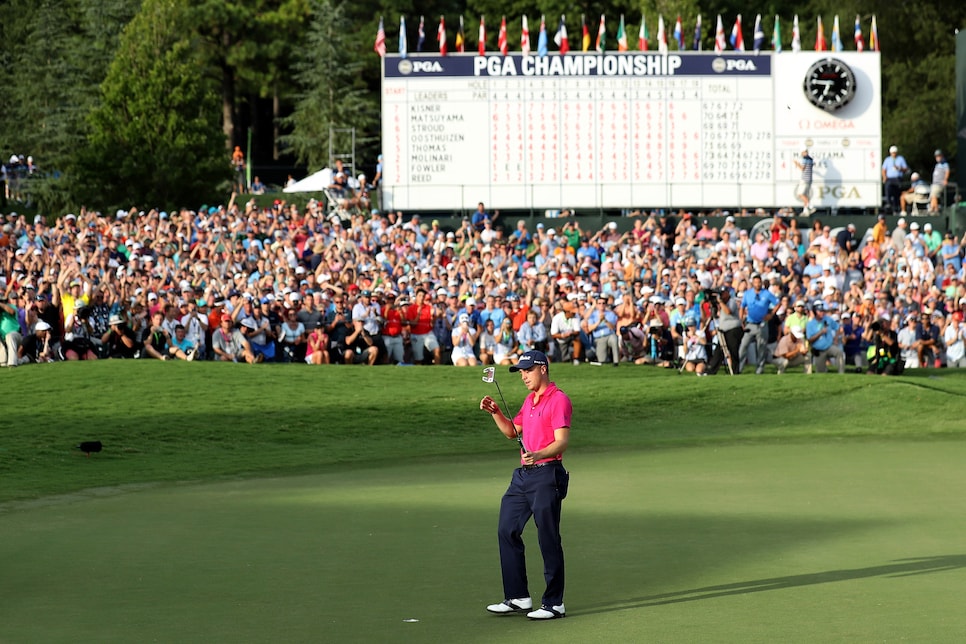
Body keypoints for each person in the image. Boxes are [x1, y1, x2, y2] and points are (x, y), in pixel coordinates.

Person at [480, 350, 571, 621]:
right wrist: (495, 411)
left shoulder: (559, 400)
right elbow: (512, 431)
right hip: (523, 476)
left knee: (548, 538)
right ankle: (518, 597)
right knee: (506, 529)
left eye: (527, 370)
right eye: (520, 371)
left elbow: (562, 440)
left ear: (543, 368)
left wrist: (540, 454)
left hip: (547, 474)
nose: (523, 376)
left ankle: (554, 603)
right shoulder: (529, 400)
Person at [739, 273, 779, 374]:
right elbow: (742, 306)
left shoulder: (766, 293)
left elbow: (777, 303)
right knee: (743, 345)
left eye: (759, 282)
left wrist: (771, 314)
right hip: (750, 323)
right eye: (755, 282)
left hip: (762, 323)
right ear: (752, 283)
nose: (757, 284)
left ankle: (760, 368)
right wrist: (741, 320)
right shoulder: (747, 294)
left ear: (761, 283)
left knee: (761, 347)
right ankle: (738, 367)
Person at [805, 301, 845, 373]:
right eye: (820, 311)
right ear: (815, 312)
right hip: (819, 350)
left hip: (829, 346)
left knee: (839, 352)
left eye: (823, 311)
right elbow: (810, 339)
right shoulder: (810, 324)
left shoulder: (828, 319)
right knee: (820, 371)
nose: (822, 313)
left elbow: (837, 327)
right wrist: (820, 333)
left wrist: (836, 338)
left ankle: (841, 372)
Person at [881, 145, 908, 213]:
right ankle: (889, 204)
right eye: (892, 152)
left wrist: (899, 168)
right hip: (889, 179)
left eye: (895, 152)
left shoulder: (900, 159)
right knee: (888, 188)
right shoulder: (887, 160)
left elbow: (905, 169)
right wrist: (884, 177)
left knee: (897, 193)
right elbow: (883, 169)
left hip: (898, 179)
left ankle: (897, 207)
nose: (894, 154)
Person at [794, 148, 815, 216]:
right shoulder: (810, 159)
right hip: (809, 180)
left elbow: (802, 168)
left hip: (804, 180)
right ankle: (805, 210)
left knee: (800, 194)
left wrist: (797, 164)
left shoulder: (805, 159)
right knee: (805, 195)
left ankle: (810, 206)